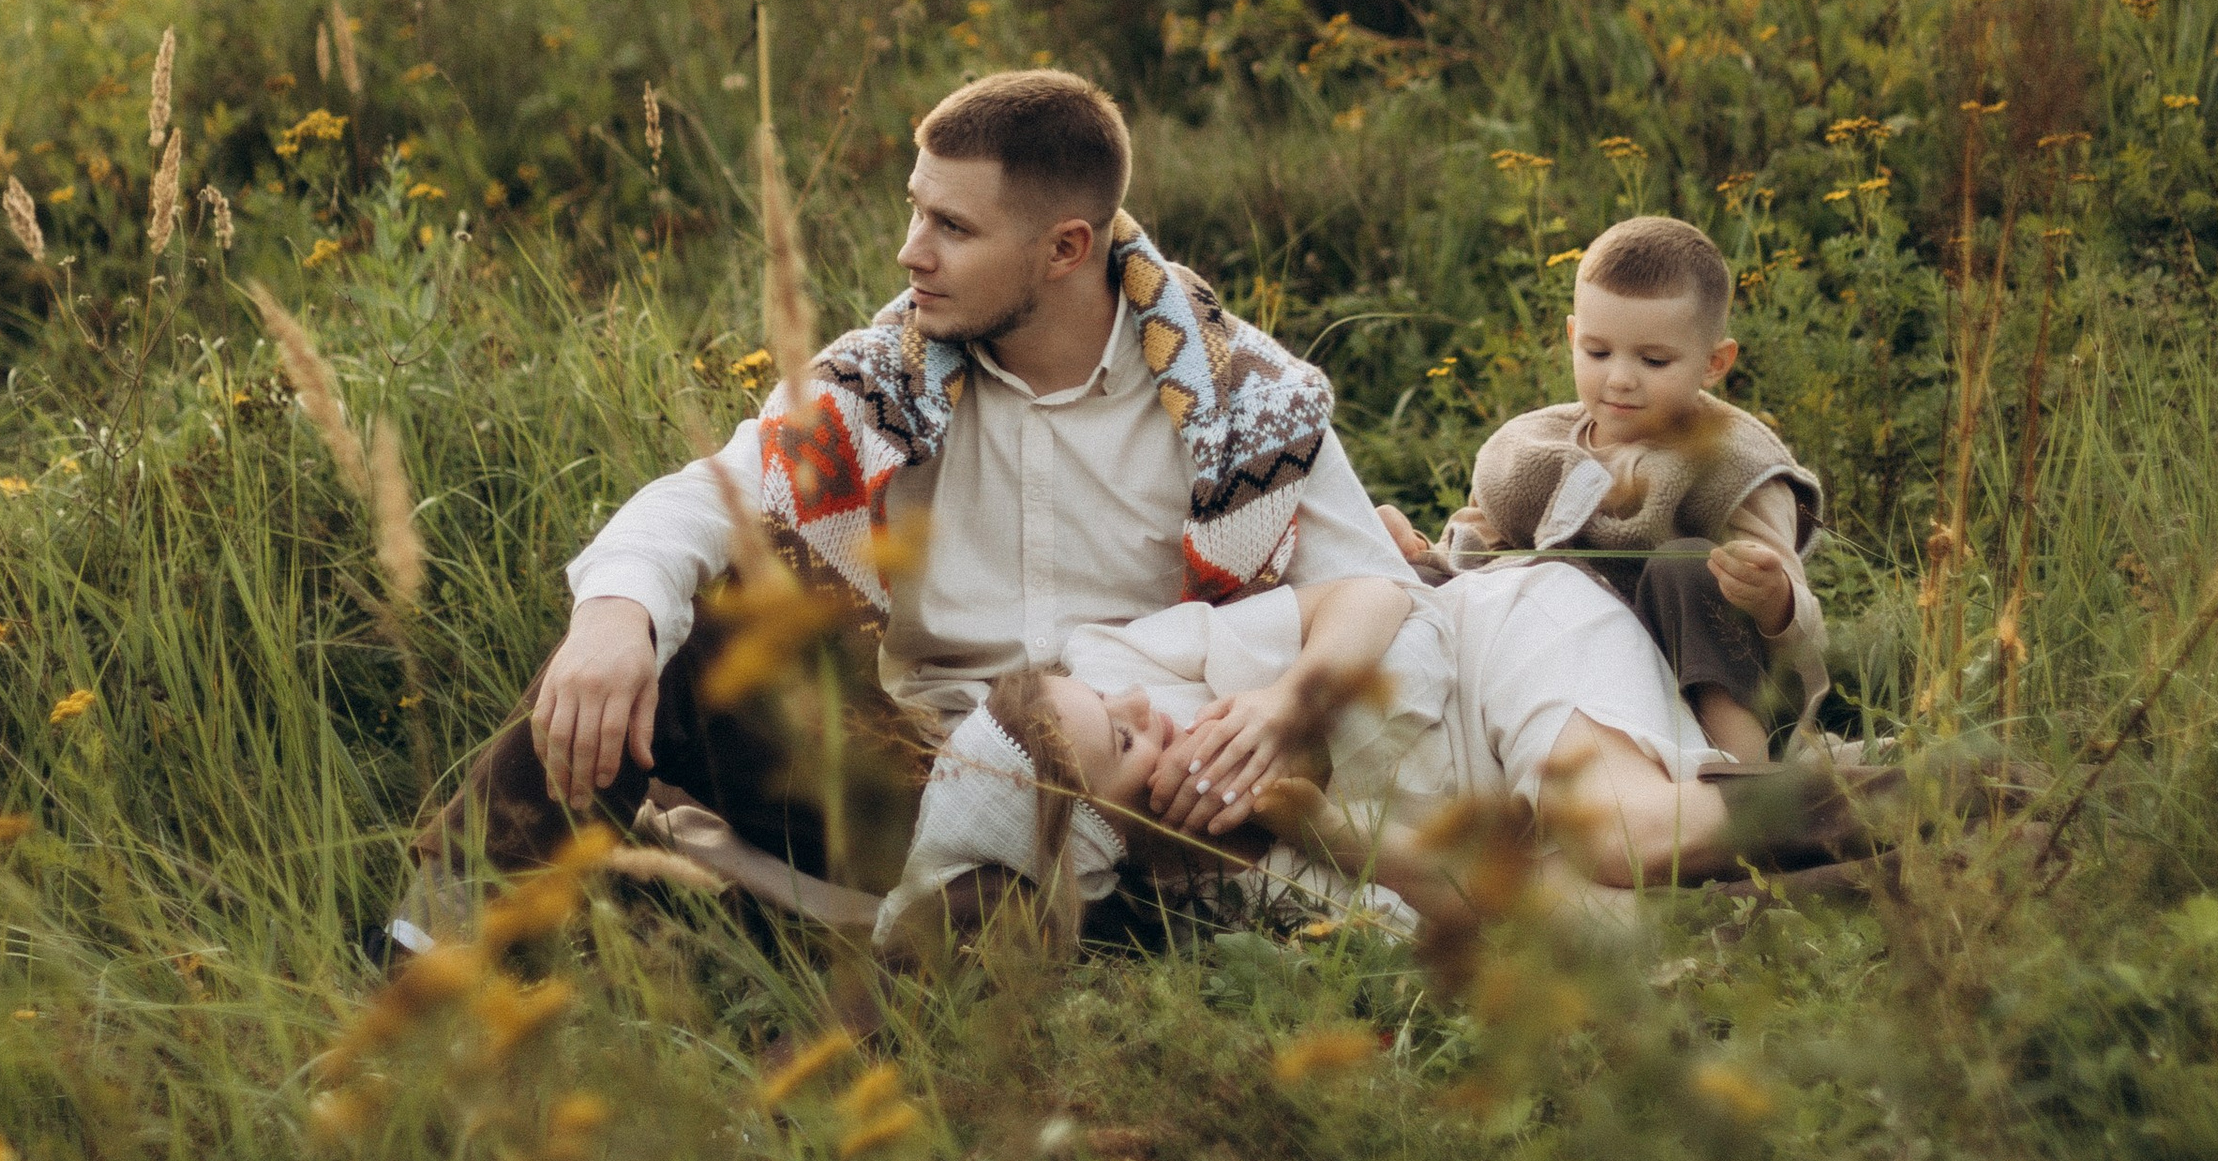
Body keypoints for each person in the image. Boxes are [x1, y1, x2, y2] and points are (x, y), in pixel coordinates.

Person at [414, 67, 1412, 908]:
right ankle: (436, 949)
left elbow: (1370, 587)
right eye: (913, 207)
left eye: (950, 225)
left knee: (1125, 869)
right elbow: (711, 494)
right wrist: (616, 612)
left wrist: (1285, 706)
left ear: (1066, 247)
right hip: (919, 774)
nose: (910, 252)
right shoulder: (881, 381)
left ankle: (951, 946)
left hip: (1136, 797)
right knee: (681, 623)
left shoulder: (1246, 403)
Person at [869, 530, 1881, 956]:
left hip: (1502, 649)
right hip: (1499, 837)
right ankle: (1910, 882)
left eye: (1118, 705)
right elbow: (1485, 910)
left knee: (1615, 832)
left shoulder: (1131, 663)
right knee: (1602, 932)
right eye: (1128, 745)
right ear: (1108, 839)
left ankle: (1927, 791)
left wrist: (1292, 702)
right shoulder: (1216, 900)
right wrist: (1324, 836)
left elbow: (1371, 593)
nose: (1149, 710)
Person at [1380, 213, 1827, 767]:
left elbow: (1804, 627)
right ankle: (1413, 759)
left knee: (1688, 566)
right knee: (1401, 591)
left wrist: (1771, 596)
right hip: (1578, 677)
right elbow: (1478, 553)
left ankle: (1744, 775)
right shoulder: (1533, 452)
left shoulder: (1729, 464)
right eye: (1597, 352)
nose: (1619, 378)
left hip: (1703, 680)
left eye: (1654, 360)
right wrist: (1420, 558)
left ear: (1714, 363)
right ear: (1572, 337)